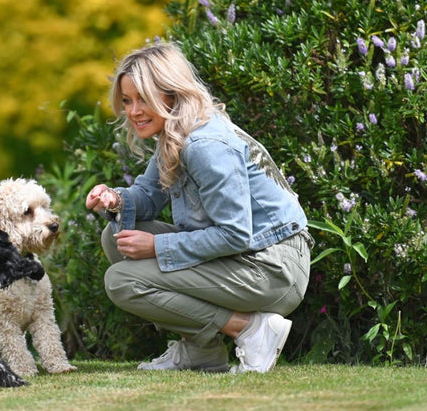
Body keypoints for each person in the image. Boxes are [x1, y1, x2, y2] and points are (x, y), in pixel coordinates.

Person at [85, 42, 313, 373]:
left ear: (172, 94)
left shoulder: (205, 145)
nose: (133, 111)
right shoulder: (176, 133)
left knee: (123, 281)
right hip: (245, 259)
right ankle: (201, 351)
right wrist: (116, 199)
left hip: (273, 269)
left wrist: (156, 246)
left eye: (143, 99)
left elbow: (235, 234)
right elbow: (149, 194)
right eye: (127, 100)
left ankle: (248, 328)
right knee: (115, 237)